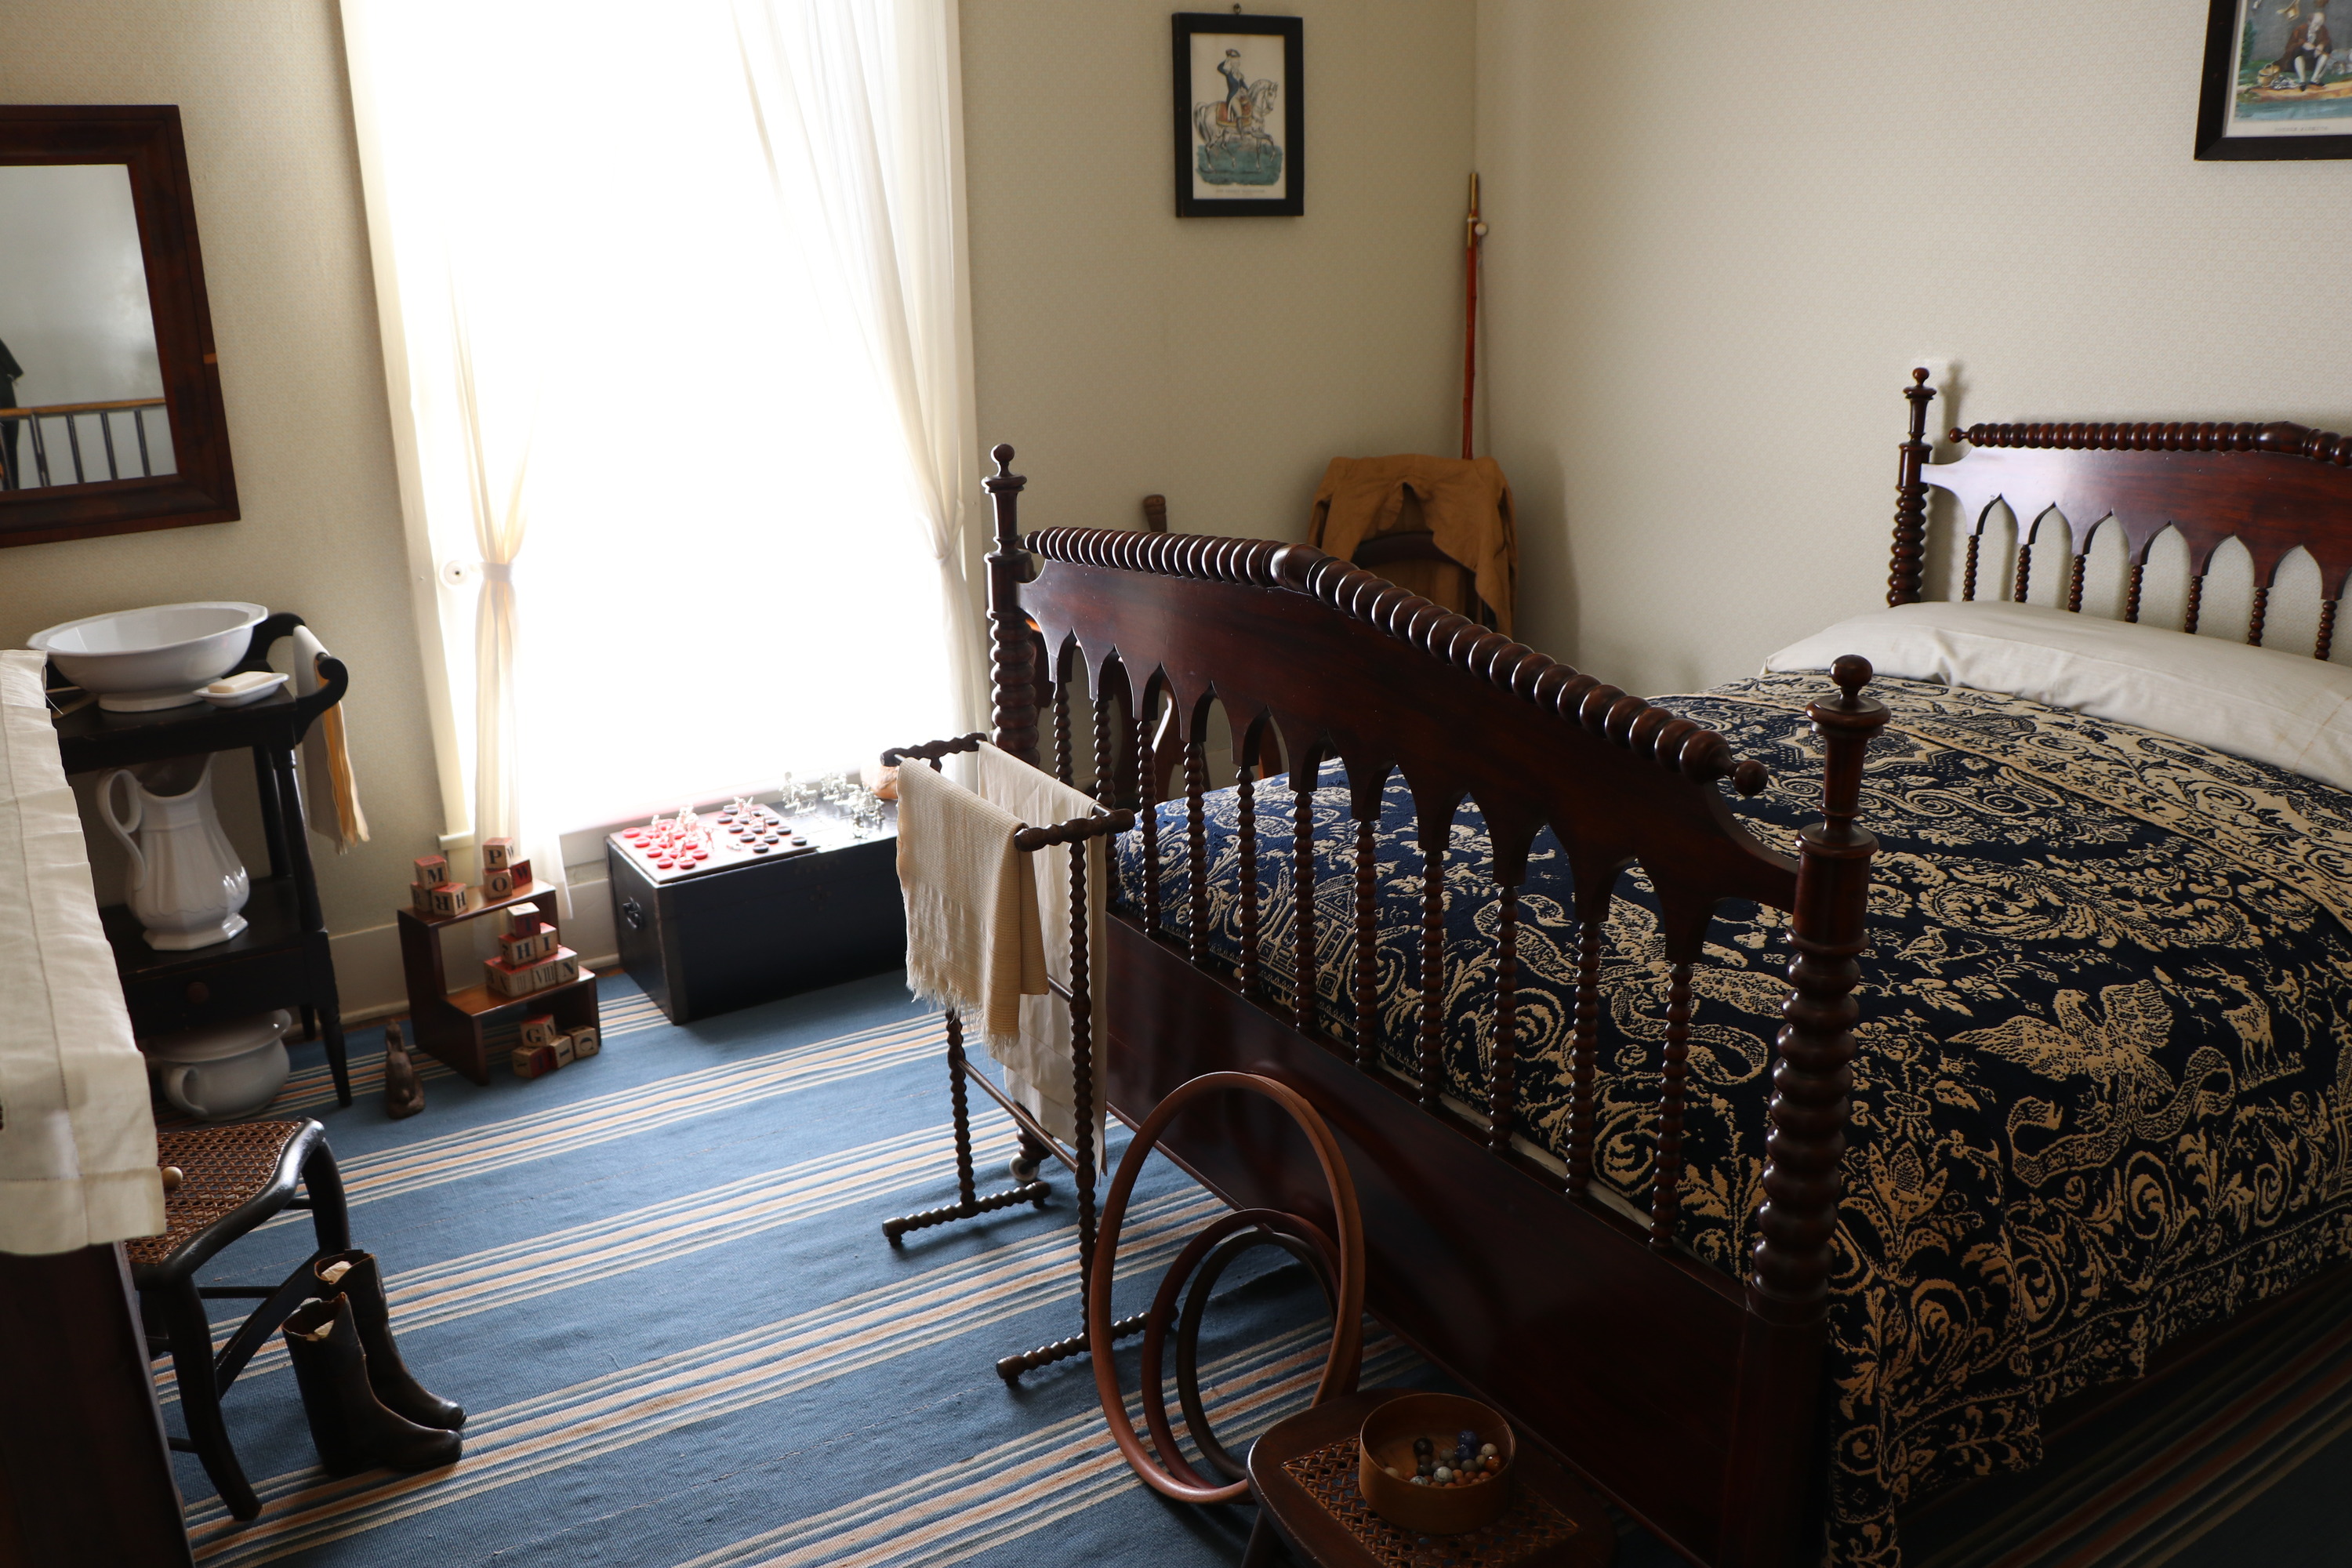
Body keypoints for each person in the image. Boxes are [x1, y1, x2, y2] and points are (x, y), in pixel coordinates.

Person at [2278, 5, 2334, 88]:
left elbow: (2327, 40)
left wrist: (2321, 45)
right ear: (2309, 22)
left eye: (2320, 25)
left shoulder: (2322, 29)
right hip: (2298, 61)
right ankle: (2302, 81)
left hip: (2313, 60)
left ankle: (2314, 79)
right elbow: (2289, 47)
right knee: (2297, 52)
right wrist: (2303, 44)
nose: (2318, 28)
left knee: (2327, 50)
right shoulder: (2299, 30)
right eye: (2315, 24)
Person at [0, 336, 21, 491]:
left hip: (6, 410)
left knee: (8, 459)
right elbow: (13, 372)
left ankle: (13, 497)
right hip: (8, 409)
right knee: (9, 459)